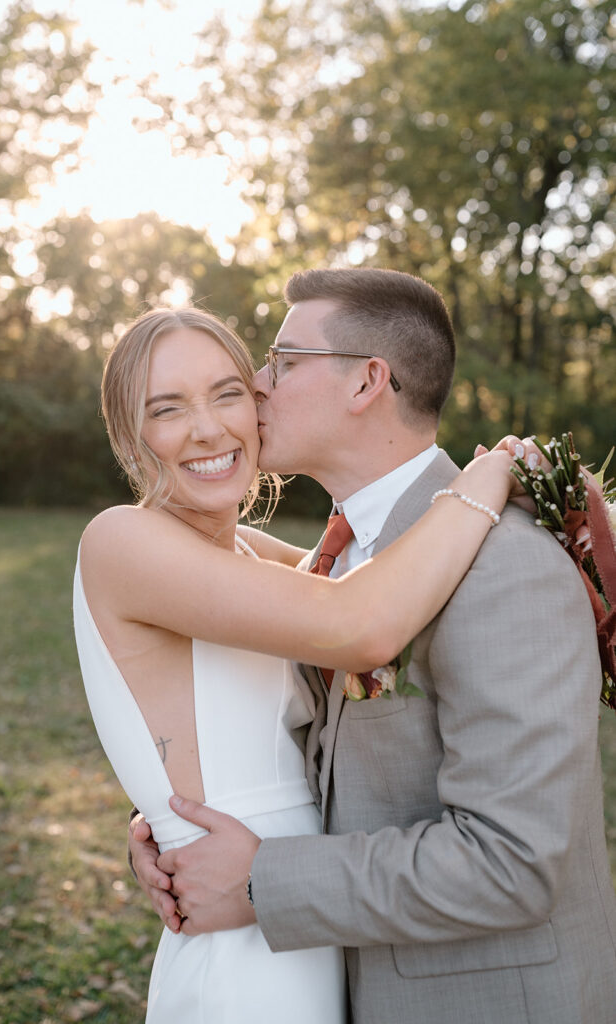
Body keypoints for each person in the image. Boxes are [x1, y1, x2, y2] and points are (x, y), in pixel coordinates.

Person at [130, 270, 616, 1024]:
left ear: (366, 381)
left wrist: (260, 881)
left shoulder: (505, 566)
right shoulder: (339, 563)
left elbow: (511, 864)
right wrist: (174, 838)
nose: (256, 385)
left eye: (282, 361)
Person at [74, 302, 523, 1024]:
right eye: (167, 408)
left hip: (302, 910)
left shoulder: (255, 554)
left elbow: (378, 572)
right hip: (242, 946)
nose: (208, 429)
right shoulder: (120, 541)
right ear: (131, 436)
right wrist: (484, 480)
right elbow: (361, 623)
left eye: (227, 393)